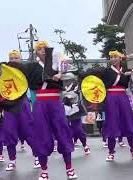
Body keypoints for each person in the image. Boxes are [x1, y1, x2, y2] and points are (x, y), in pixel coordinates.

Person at [30, 41, 77, 180]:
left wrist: (60, 74)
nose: (42, 51)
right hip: (40, 103)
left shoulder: (58, 63)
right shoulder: (33, 67)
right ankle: (44, 170)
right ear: (36, 53)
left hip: (55, 102)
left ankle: (69, 167)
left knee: (62, 131)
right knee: (41, 134)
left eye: (44, 48)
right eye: (39, 49)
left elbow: (72, 74)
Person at [102, 50, 133, 162]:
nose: (113, 59)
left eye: (116, 57)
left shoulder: (127, 70)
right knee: (112, 123)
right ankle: (111, 152)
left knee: (128, 121)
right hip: (111, 98)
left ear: (120, 58)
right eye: (111, 57)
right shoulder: (106, 71)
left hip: (123, 97)